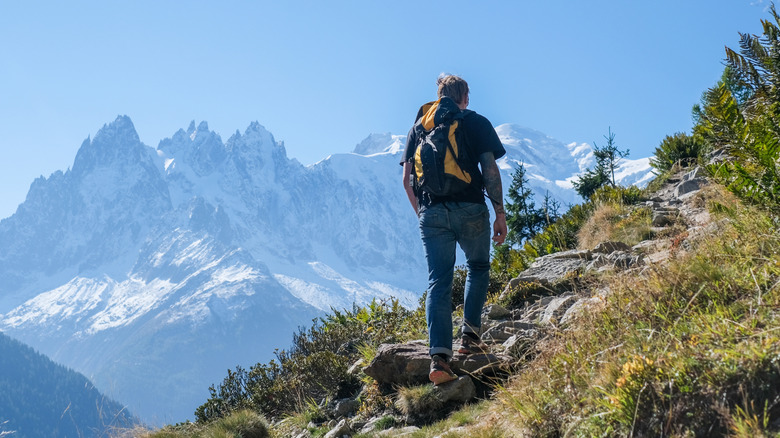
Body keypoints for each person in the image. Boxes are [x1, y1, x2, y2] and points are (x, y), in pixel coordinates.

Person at [401, 74, 507, 385]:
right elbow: (490, 170)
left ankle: (439, 359)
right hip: (470, 209)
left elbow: (407, 181)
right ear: (465, 97)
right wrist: (499, 212)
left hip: (431, 212)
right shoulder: (474, 121)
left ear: (438, 95)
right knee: (477, 266)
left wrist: (423, 213)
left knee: (439, 280)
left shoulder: (418, 128)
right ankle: (470, 338)